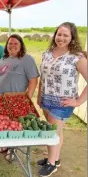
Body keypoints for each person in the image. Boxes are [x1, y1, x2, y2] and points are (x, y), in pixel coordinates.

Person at [37, 22, 87, 177]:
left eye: (66, 35)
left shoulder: (76, 57)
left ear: (72, 37)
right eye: (59, 34)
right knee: (57, 132)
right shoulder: (47, 53)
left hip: (62, 103)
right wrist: (39, 95)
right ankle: (55, 158)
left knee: (53, 133)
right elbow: (43, 77)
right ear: (55, 35)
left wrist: (78, 102)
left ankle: (51, 165)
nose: (61, 38)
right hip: (46, 99)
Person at [0, 34, 39, 161]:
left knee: (14, 124)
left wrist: (26, 99)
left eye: (15, 43)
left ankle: (13, 149)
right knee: (3, 122)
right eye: (10, 43)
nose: (12, 46)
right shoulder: (3, 58)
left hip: (16, 98)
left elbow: (33, 80)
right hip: (0, 97)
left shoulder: (26, 59)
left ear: (21, 45)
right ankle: (5, 145)